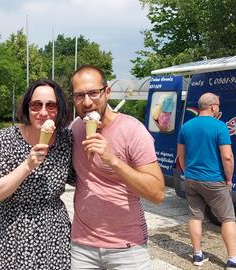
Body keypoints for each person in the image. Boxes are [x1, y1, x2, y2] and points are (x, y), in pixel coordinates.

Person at [69, 64, 165, 269]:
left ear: (107, 92)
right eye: (79, 95)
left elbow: (157, 193)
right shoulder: (74, 129)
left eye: (93, 93)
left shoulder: (133, 130)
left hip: (127, 247)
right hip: (81, 246)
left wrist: (113, 160)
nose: (87, 102)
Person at [0, 79, 75, 270]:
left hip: (53, 232)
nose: (43, 112)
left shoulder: (65, 139)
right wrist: (27, 165)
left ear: (59, 109)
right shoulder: (7, 138)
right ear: (27, 107)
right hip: (13, 231)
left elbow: (81, 177)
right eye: (36, 105)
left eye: (51, 105)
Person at [177, 93, 236, 269]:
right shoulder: (220, 126)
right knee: (228, 218)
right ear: (213, 107)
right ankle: (233, 260)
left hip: (191, 179)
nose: (219, 108)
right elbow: (227, 157)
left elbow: (181, 155)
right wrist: (229, 178)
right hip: (214, 180)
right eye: (218, 105)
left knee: (195, 216)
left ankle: (197, 256)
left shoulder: (186, 127)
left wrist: (187, 172)